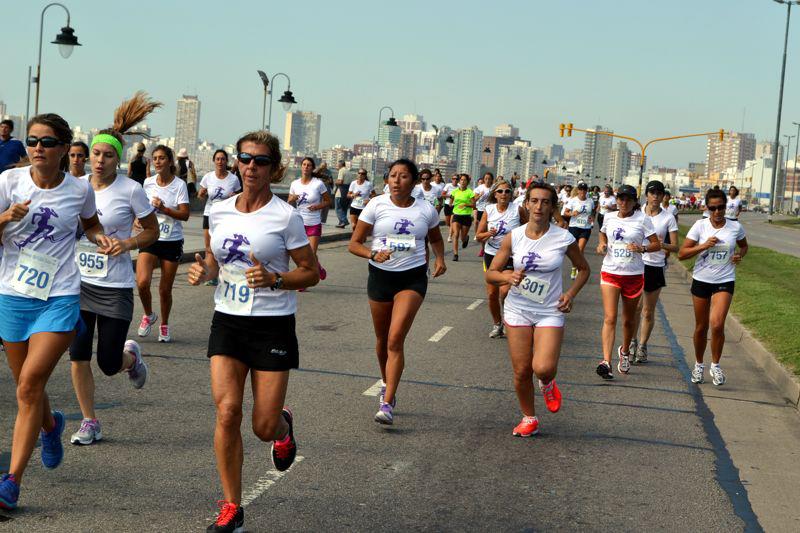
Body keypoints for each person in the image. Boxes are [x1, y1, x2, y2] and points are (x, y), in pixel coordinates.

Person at [187, 130, 319, 532]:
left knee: (263, 427)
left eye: (260, 161)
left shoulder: (285, 216)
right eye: (245, 159)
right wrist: (205, 271)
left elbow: (310, 272)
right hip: (227, 319)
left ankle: (283, 427)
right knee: (227, 412)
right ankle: (232, 507)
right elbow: (216, 261)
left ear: (273, 168)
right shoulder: (220, 210)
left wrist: (276, 280)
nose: (250, 167)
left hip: (272, 325)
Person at [0, 113, 108, 510]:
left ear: (64, 148)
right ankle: (50, 425)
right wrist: (5, 217)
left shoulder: (79, 189)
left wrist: (101, 238)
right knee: (27, 387)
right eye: (32, 141)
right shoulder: (8, 182)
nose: (38, 148)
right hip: (13, 294)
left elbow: (90, 224)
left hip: (59, 294)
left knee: (30, 384)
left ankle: (11, 481)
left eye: (47, 142)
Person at [68, 92, 161, 446]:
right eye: (95, 154)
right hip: (77, 285)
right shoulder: (75, 188)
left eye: (108, 155)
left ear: (118, 159)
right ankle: (89, 421)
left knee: (107, 363)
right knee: (78, 354)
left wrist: (128, 243)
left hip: (114, 286)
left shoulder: (131, 190)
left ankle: (130, 358)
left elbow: (152, 231)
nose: (100, 160)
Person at [485, 182, 590, 437]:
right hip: (518, 308)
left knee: (542, 367)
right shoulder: (515, 236)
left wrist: (570, 294)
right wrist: (507, 277)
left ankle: (547, 382)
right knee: (522, 370)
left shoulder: (563, 237)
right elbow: (491, 274)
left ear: (553, 207)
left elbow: (584, 269)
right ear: (526, 205)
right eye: (534, 201)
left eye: (545, 202)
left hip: (549, 310)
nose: (539, 206)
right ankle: (529, 417)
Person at [348, 158, 446, 425]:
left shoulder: (426, 209)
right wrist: (372, 254)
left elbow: (436, 238)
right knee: (382, 340)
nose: (397, 180)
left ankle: (388, 402)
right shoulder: (376, 205)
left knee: (394, 339)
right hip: (380, 276)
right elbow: (354, 243)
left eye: (403, 176)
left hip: (412, 278)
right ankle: (386, 381)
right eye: (393, 175)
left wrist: (440, 258)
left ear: (413, 182)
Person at [679, 188, 748, 386]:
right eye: (712, 208)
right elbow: (682, 254)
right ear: (707, 208)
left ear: (726, 207)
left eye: (721, 207)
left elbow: (744, 246)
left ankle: (716, 366)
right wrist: (704, 245)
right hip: (702, 280)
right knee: (701, 327)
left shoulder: (735, 227)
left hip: (724, 280)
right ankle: (699, 365)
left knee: (717, 324)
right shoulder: (700, 226)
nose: (717, 212)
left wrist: (739, 255)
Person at [595, 184, 660, 379]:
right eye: (621, 199)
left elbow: (656, 244)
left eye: (628, 199)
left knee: (628, 320)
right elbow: (603, 232)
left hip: (633, 275)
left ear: (634, 202)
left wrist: (642, 249)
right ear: (616, 200)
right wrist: (602, 243)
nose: (624, 202)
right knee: (610, 317)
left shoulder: (643, 219)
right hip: (610, 272)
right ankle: (606, 362)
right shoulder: (609, 217)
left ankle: (624, 351)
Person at [136, 145, 191, 343]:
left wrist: (164, 208)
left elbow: (185, 214)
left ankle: (164, 324)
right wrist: (137, 219)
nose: (158, 161)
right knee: (142, 282)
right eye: (155, 158)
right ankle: (149, 315)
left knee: (164, 289)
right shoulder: (148, 183)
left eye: (161, 158)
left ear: (170, 161)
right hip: (151, 237)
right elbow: (141, 208)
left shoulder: (179, 185)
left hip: (171, 240)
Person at [629, 180, 678, 364]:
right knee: (635, 308)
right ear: (647, 195)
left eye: (659, 193)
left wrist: (660, 244)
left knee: (648, 311)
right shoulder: (637, 214)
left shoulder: (668, 218)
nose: (655, 196)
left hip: (655, 265)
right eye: (652, 193)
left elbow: (675, 247)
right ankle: (631, 342)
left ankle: (642, 346)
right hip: (635, 265)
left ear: (663, 196)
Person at [476, 179, 527, 338]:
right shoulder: (489, 210)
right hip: (491, 255)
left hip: (511, 256)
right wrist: (488, 233)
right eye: (500, 191)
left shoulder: (518, 209)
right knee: (492, 294)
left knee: (504, 291)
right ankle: (497, 324)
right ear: (495, 194)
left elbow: (529, 229)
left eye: (507, 191)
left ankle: (508, 319)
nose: (504, 194)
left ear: (511, 194)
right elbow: (479, 235)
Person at [198, 150, 242, 285]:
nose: (220, 162)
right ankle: (211, 275)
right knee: (208, 247)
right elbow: (200, 196)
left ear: (226, 161)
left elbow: (240, 196)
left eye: (223, 159)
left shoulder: (233, 179)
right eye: (217, 159)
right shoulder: (208, 177)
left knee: (222, 246)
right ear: (214, 161)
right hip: (209, 214)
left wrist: (235, 196)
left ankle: (225, 272)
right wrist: (202, 194)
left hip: (225, 216)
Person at [288, 157, 332, 284]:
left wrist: (317, 207)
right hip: (299, 224)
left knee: (311, 254)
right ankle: (318, 268)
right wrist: (292, 199)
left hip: (314, 223)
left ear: (312, 168)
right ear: (301, 166)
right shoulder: (294, 184)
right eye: (304, 164)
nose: (306, 167)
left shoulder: (318, 184)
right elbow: (289, 202)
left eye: (308, 165)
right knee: (302, 255)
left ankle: (304, 281)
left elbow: (328, 201)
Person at [563, 182, 595, 279]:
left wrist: (592, 217)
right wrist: (572, 213)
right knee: (576, 250)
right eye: (581, 189)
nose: (582, 191)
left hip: (585, 228)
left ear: (586, 191)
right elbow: (565, 212)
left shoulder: (590, 201)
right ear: (578, 190)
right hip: (574, 227)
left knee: (580, 249)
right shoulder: (573, 200)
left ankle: (579, 268)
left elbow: (592, 212)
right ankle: (574, 267)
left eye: (584, 189)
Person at [450, 174, 474, 261]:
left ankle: (465, 238)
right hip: (456, 215)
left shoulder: (470, 192)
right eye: (461, 180)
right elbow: (451, 201)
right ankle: (455, 254)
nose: (463, 181)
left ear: (467, 182)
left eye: (465, 180)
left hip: (466, 216)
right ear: (459, 181)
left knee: (462, 237)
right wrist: (451, 204)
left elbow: (474, 205)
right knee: (456, 234)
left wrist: (466, 205)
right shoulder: (455, 191)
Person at [473, 172, 494, 239]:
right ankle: (478, 235)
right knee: (481, 225)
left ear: (492, 180)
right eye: (486, 179)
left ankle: (488, 236)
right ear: (484, 179)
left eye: (489, 179)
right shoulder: (480, 188)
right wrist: (480, 195)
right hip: (481, 209)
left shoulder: (494, 188)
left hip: (490, 210)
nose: (487, 180)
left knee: (489, 224)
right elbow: (474, 199)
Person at [334, 160, 350, 228]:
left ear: (340, 165)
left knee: (338, 208)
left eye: (337, 164)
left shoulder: (341, 171)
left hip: (340, 192)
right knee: (344, 209)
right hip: (347, 191)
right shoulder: (348, 171)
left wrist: (335, 182)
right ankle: (341, 223)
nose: (336, 166)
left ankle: (344, 221)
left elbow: (340, 182)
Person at [442, 174, 459, 240]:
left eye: (456, 179)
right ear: (452, 179)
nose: (455, 180)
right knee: (447, 222)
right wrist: (450, 196)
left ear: (458, 180)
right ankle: (453, 229)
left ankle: (450, 236)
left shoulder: (459, 186)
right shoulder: (448, 185)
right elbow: (443, 195)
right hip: (447, 204)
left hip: (455, 205)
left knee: (452, 221)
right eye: (453, 179)